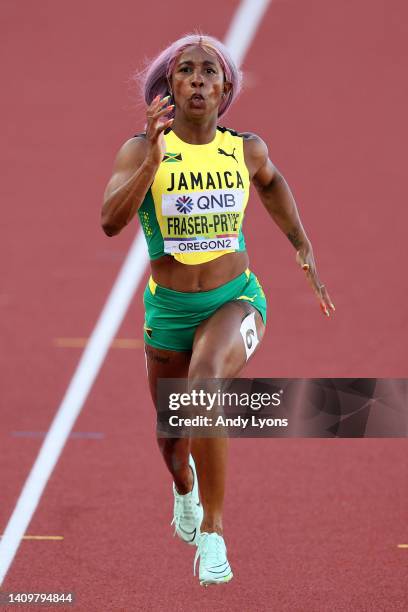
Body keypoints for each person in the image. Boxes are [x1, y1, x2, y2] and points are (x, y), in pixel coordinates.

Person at [101, 33, 335, 587]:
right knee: (171, 436)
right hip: (170, 311)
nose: (200, 79)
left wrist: (302, 245)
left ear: (226, 88)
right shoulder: (141, 151)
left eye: (211, 71)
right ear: (170, 86)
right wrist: (153, 160)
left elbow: (273, 184)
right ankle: (184, 487)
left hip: (237, 300)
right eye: (187, 70)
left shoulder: (244, 148)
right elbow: (111, 221)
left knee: (204, 386)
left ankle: (213, 533)